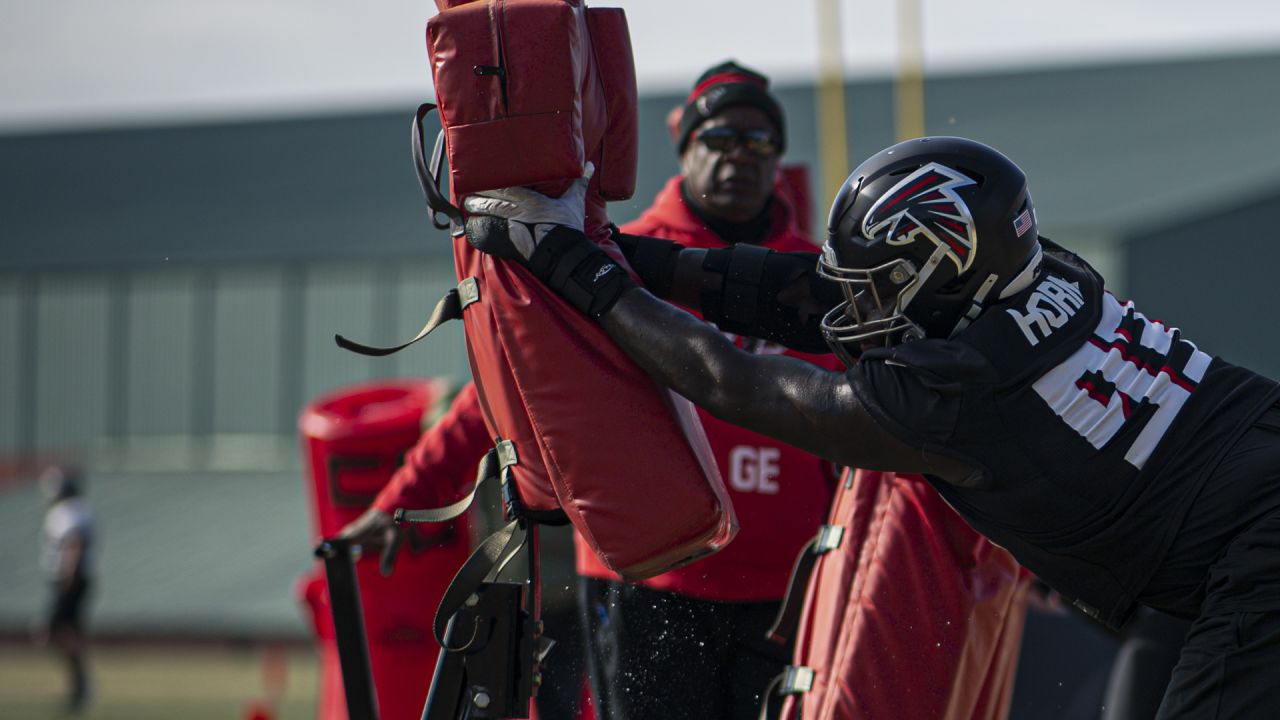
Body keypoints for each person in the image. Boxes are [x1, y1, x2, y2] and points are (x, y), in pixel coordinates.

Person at [461, 135, 1280, 718]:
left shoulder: (958, 391)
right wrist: (619, 252)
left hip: (1249, 553)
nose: (857, 304)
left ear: (945, 272)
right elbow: (811, 296)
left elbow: (736, 381)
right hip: (1222, 531)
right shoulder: (1041, 270)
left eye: (880, 284)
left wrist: (577, 269)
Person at [341, 61, 843, 719]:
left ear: (778, 158)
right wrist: (406, 496)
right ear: (686, 147)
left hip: (784, 593)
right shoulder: (612, 259)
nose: (738, 157)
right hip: (647, 580)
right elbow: (504, 386)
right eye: (719, 138)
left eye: (758, 143)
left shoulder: (813, 283)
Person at [35, 465, 96, 713]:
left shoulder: (68, 512)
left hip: (69, 578)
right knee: (67, 632)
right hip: (76, 578)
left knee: (49, 631)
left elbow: (74, 544)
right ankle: (79, 685)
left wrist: (67, 578)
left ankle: (81, 682)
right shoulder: (78, 510)